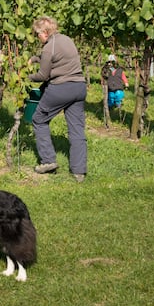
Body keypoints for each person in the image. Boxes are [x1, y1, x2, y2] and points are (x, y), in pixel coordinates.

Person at [28, 16, 88, 182]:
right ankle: (79, 171)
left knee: (39, 120)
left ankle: (48, 161)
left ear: (45, 32)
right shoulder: (66, 39)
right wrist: (35, 58)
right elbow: (57, 59)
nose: (37, 37)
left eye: (38, 34)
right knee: (76, 129)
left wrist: (26, 77)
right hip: (79, 87)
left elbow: (43, 75)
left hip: (61, 88)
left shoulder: (48, 47)